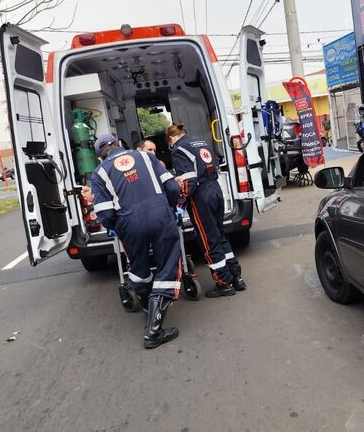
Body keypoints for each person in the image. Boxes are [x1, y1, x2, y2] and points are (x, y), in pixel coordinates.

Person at [89, 133, 183, 349]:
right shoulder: (146, 157)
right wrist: (168, 208)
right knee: (168, 265)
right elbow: (172, 188)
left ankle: (146, 304)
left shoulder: (99, 173)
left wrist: (120, 227)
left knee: (139, 267)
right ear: (120, 143)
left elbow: (104, 214)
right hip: (160, 216)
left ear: (100, 156)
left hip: (129, 224)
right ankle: (153, 331)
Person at [166, 123, 246, 298]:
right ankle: (236, 276)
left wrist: (179, 203)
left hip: (201, 195)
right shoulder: (199, 143)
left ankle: (223, 283)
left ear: (171, 138)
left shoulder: (179, 149)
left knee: (208, 240)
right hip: (215, 190)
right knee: (219, 234)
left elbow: (189, 180)